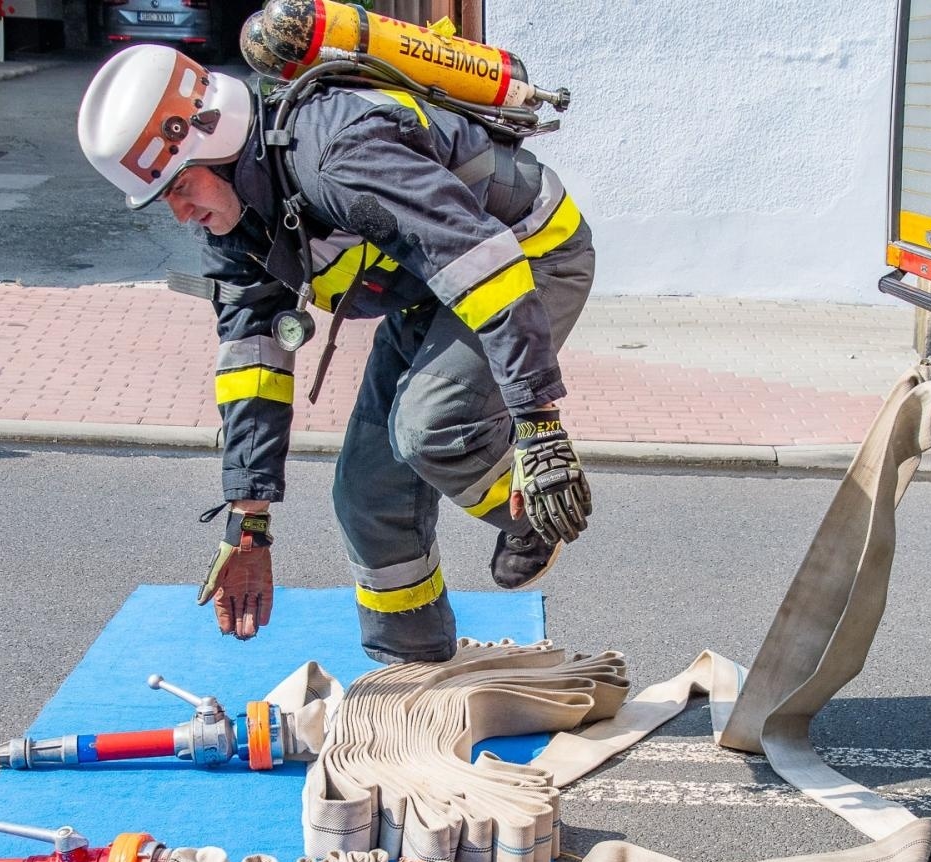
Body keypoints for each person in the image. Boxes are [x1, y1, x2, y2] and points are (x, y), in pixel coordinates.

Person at [77, 45, 594, 665]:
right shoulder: (237, 223)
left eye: (182, 185)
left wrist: (539, 427)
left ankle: (535, 507)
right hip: (427, 287)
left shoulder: (340, 156)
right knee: (365, 491)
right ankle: (411, 673)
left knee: (432, 427)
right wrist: (249, 522)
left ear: (220, 142)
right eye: (164, 197)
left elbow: (479, 263)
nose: (180, 211)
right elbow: (253, 367)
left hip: (528, 254)